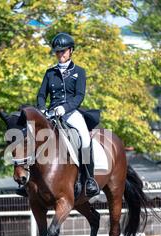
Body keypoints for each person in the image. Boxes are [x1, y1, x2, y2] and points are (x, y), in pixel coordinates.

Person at [16, 32, 100, 198]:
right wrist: (42, 109)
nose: (60, 54)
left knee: (84, 137)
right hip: (51, 113)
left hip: (70, 113)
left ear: (71, 51)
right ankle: (28, 181)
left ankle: (89, 179)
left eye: (63, 51)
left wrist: (65, 108)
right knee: (31, 138)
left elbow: (79, 96)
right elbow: (41, 95)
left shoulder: (79, 72)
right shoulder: (50, 73)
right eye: (57, 52)